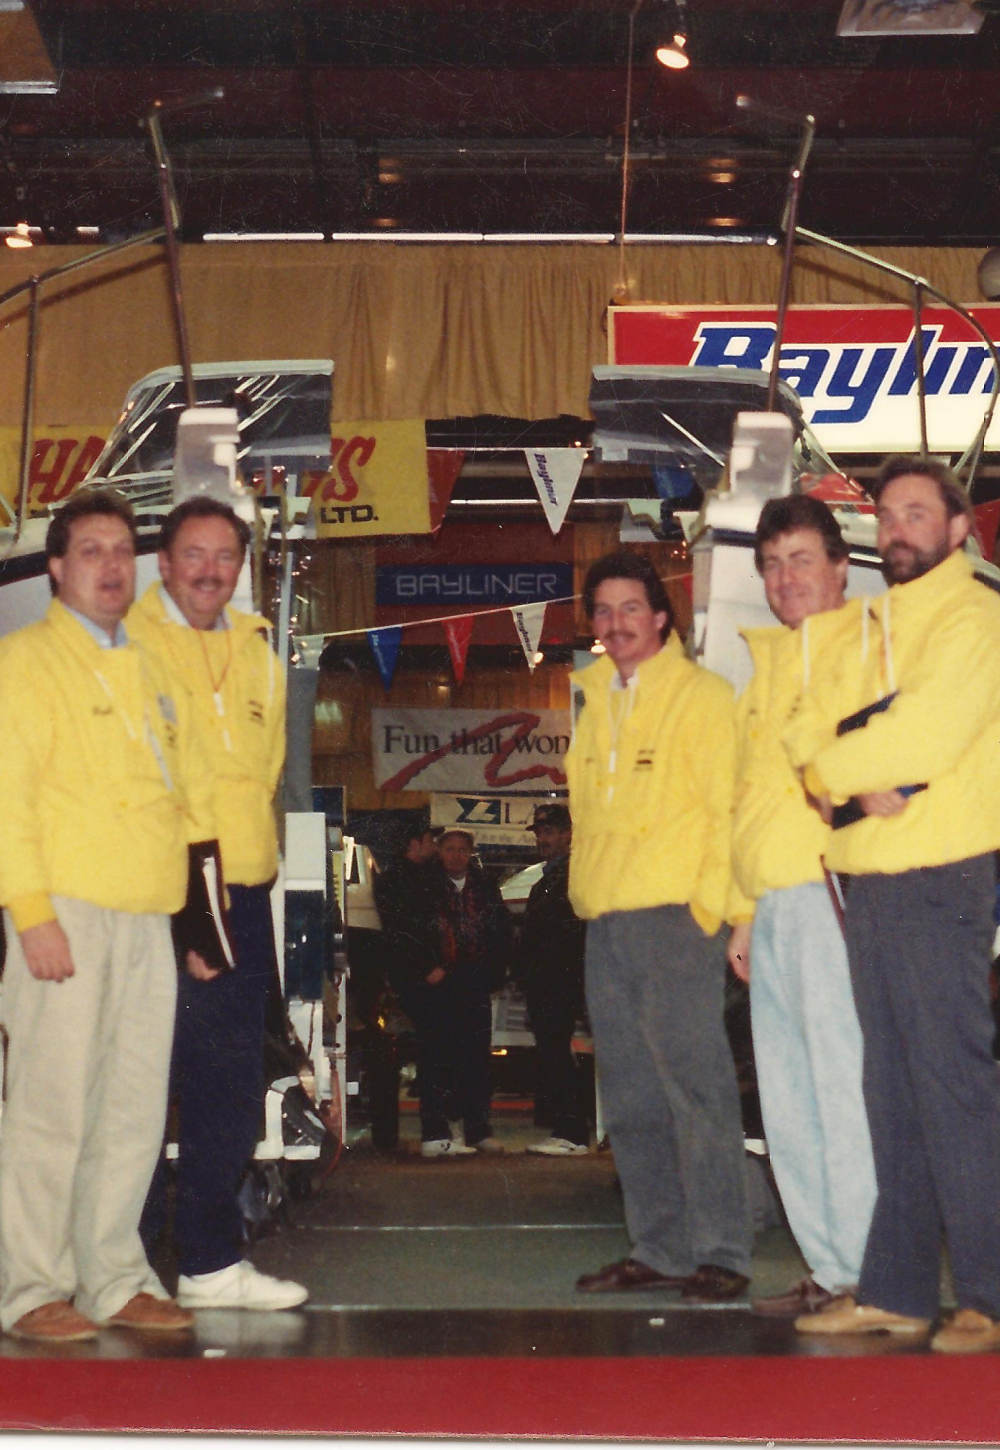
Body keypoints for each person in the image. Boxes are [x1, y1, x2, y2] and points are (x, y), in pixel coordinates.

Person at [784, 456, 1000, 1354]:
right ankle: (899, 1292)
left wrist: (840, 762)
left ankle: (987, 1295)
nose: (898, 527)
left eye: (917, 512)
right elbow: (803, 724)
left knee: (951, 1091)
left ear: (959, 529)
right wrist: (849, 767)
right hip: (870, 878)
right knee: (894, 1097)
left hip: (940, 873)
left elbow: (929, 734)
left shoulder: (976, 617)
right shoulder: (869, 623)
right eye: (887, 514)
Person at [0, 490, 209, 1342]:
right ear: (56, 567)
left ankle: (113, 1280)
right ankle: (29, 1289)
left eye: (124, 550)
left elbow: (181, 801)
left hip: (147, 916)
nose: (112, 565)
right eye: (91, 550)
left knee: (131, 1113)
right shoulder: (23, 662)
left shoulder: (151, 668)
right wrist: (31, 912)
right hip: (65, 912)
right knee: (51, 1110)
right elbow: (7, 797)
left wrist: (196, 927)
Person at [132, 495, 307, 1313]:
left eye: (225, 557)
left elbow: (264, 772)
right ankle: (123, 1268)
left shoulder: (260, 653)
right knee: (140, 1085)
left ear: (241, 567)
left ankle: (209, 1265)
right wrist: (183, 908)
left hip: (242, 893)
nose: (210, 571)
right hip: (162, 892)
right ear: (164, 564)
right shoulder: (129, 646)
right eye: (194, 555)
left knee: (230, 1087)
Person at [569, 550, 751, 1302]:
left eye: (630, 609)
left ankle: (722, 1252)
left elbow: (728, 810)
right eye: (603, 610)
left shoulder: (703, 697)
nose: (616, 623)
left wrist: (727, 912)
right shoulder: (594, 701)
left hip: (677, 920)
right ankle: (660, 1248)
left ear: (661, 618)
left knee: (696, 1093)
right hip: (605, 924)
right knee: (632, 1099)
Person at [726, 495, 875, 1318]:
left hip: (833, 890)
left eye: (802, 560)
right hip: (774, 901)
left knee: (842, 1087)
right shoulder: (769, 667)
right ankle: (826, 1264)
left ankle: (866, 1272)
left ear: (841, 567)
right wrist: (743, 910)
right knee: (786, 1099)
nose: (785, 578)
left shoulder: (869, 649)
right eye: (772, 564)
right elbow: (749, 800)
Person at [393, 829, 512, 1158]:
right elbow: (407, 929)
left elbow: (501, 931)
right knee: (435, 1058)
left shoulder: (485, 886)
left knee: (476, 1059)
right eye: (449, 849)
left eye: (462, 850)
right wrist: (427, 966)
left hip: (474, 980)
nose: (456, 856)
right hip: (439, 981)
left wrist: (492, 973)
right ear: (439, 852)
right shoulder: (423, 885)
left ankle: (478, 1130)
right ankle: (435, 1132)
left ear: (470, 853)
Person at [513, 803, 589, 1156]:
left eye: (551, 832)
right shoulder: (547, 879)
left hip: (561, 982)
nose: (543, 839)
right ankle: (566, 1129)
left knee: (558, 1054)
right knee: (554, 1054)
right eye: (541, 833)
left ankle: (571, 1132)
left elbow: (569, 935)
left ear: (568, 834)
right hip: (548, 983)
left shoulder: (572, 876)